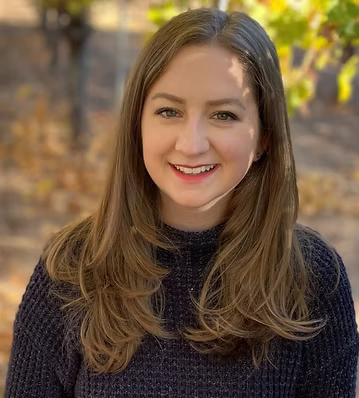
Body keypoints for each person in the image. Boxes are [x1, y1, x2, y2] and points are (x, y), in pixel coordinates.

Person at [5, 7, 359, 398]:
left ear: (263, 137)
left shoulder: (313, 279)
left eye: (223, 115)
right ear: (138, 125)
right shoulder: (71, 271)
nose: (191, 145)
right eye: (168, 111)